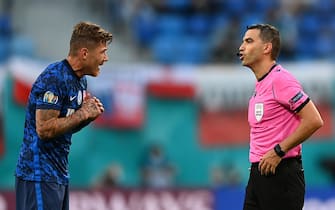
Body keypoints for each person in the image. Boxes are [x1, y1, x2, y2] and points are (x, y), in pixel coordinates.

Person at [15, 21, 113, 210]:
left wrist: (86, 118)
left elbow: (64, 126)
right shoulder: (54, 78)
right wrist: (82, 113)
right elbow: (44, 129)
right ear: (84, 53)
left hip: (58, 174)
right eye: (102, 52)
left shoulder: (80, 81)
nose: (106, 58)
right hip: (38, 174)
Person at [237, 23, 323, 210]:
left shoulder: (281, 80)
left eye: (249, 41)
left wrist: (278, 151)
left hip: (281, 173)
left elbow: (314, 120)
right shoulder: (261, 85)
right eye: (243, 41)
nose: (241, 47)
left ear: (266, 48)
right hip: (258, 175)